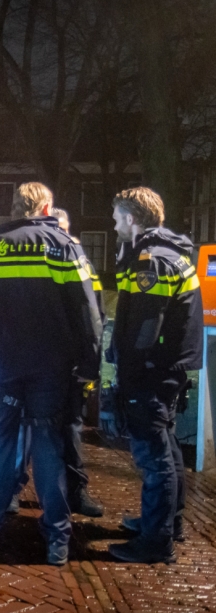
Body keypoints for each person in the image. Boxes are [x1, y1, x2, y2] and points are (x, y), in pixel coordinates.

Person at [0, 182, 102, 565]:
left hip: (1, 363)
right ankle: (57, 539)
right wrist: (90, 364)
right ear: (46, 207)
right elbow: (87, 312)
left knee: (1, 442)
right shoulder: (63, 246)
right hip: (50, 364)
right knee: (48, 443)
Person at [106, 187, 202, 564]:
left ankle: (155, 541)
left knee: (154, 457)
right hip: (167, 368)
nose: (114, 224)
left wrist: (129, 370)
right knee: (167, 448)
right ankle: (166, 524)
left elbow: (146, 325)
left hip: (150, 372)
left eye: (117, 217)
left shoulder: (152, 260)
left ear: (131, 218)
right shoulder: (169, 252)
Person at [9, 207, 105, 518]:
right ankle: (12, 489)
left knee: (70, 429)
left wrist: (89, 360)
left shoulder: (79, 261)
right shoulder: (39, 263)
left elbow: (95, 313)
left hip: (70, 363)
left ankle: (76, 491)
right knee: (26, 429)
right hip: (42, 361)